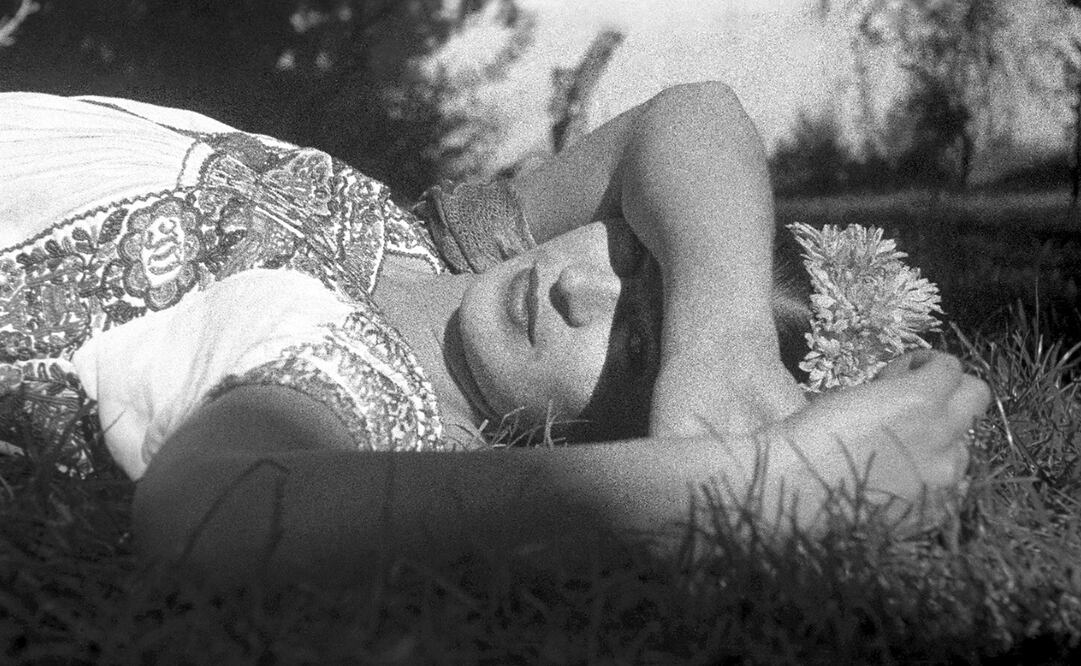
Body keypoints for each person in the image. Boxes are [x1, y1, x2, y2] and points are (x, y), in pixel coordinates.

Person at [0, 82, 990, 585]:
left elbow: (208, 517)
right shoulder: (426, 247)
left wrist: (757, 487)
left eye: (634, 348)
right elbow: (689, 116)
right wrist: (720, 337)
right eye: (638, 257)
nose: (580, 293)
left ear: (638, 441)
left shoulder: (346, 371)